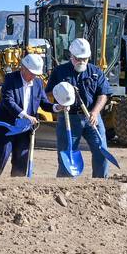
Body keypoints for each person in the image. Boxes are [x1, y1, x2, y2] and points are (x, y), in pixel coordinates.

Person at [45, 38, 112, 178]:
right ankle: (66, 185)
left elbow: (103, 94)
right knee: (67, 154)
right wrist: (62, 97)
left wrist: (95, 112)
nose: (81, 62)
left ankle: (100, 184)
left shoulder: (96, 72)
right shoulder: (60, 72)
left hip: (92, 118)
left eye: (85, 59)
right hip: (69, 118)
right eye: (78, 59)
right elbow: (49, 94)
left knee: (101, 151)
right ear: (71, 56)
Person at [0, 53, 51, 177]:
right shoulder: (11, 79)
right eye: (31, 73)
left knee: (21, 161)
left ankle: (17, 185)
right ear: (23, 68)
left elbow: (44, 103)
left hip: (25, 129)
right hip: (7, 127)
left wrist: (56, 107)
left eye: (35, 74)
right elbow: (7, 100)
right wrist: (25, 115)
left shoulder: (38, 83)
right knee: (0, 158)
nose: (33, 76)